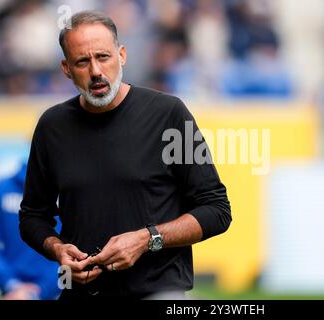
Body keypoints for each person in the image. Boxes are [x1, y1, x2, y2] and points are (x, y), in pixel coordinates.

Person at [19, 10, 231, 299]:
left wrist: (147, 239)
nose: (95, 71)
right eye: (82, 61)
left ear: (122, 55)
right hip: (81, 292)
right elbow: (32, 215)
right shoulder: (51, 126)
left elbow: (216, 210)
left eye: (103, 57)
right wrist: (57, 248)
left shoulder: (168, 114)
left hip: (156, 291)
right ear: (66, 68)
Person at [0, 161, 60, 299]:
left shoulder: (69, 192)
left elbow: (76, 255)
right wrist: (12, 285)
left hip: (46, 291)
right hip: (13, 293)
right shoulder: (2, 189)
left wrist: (14, 286)